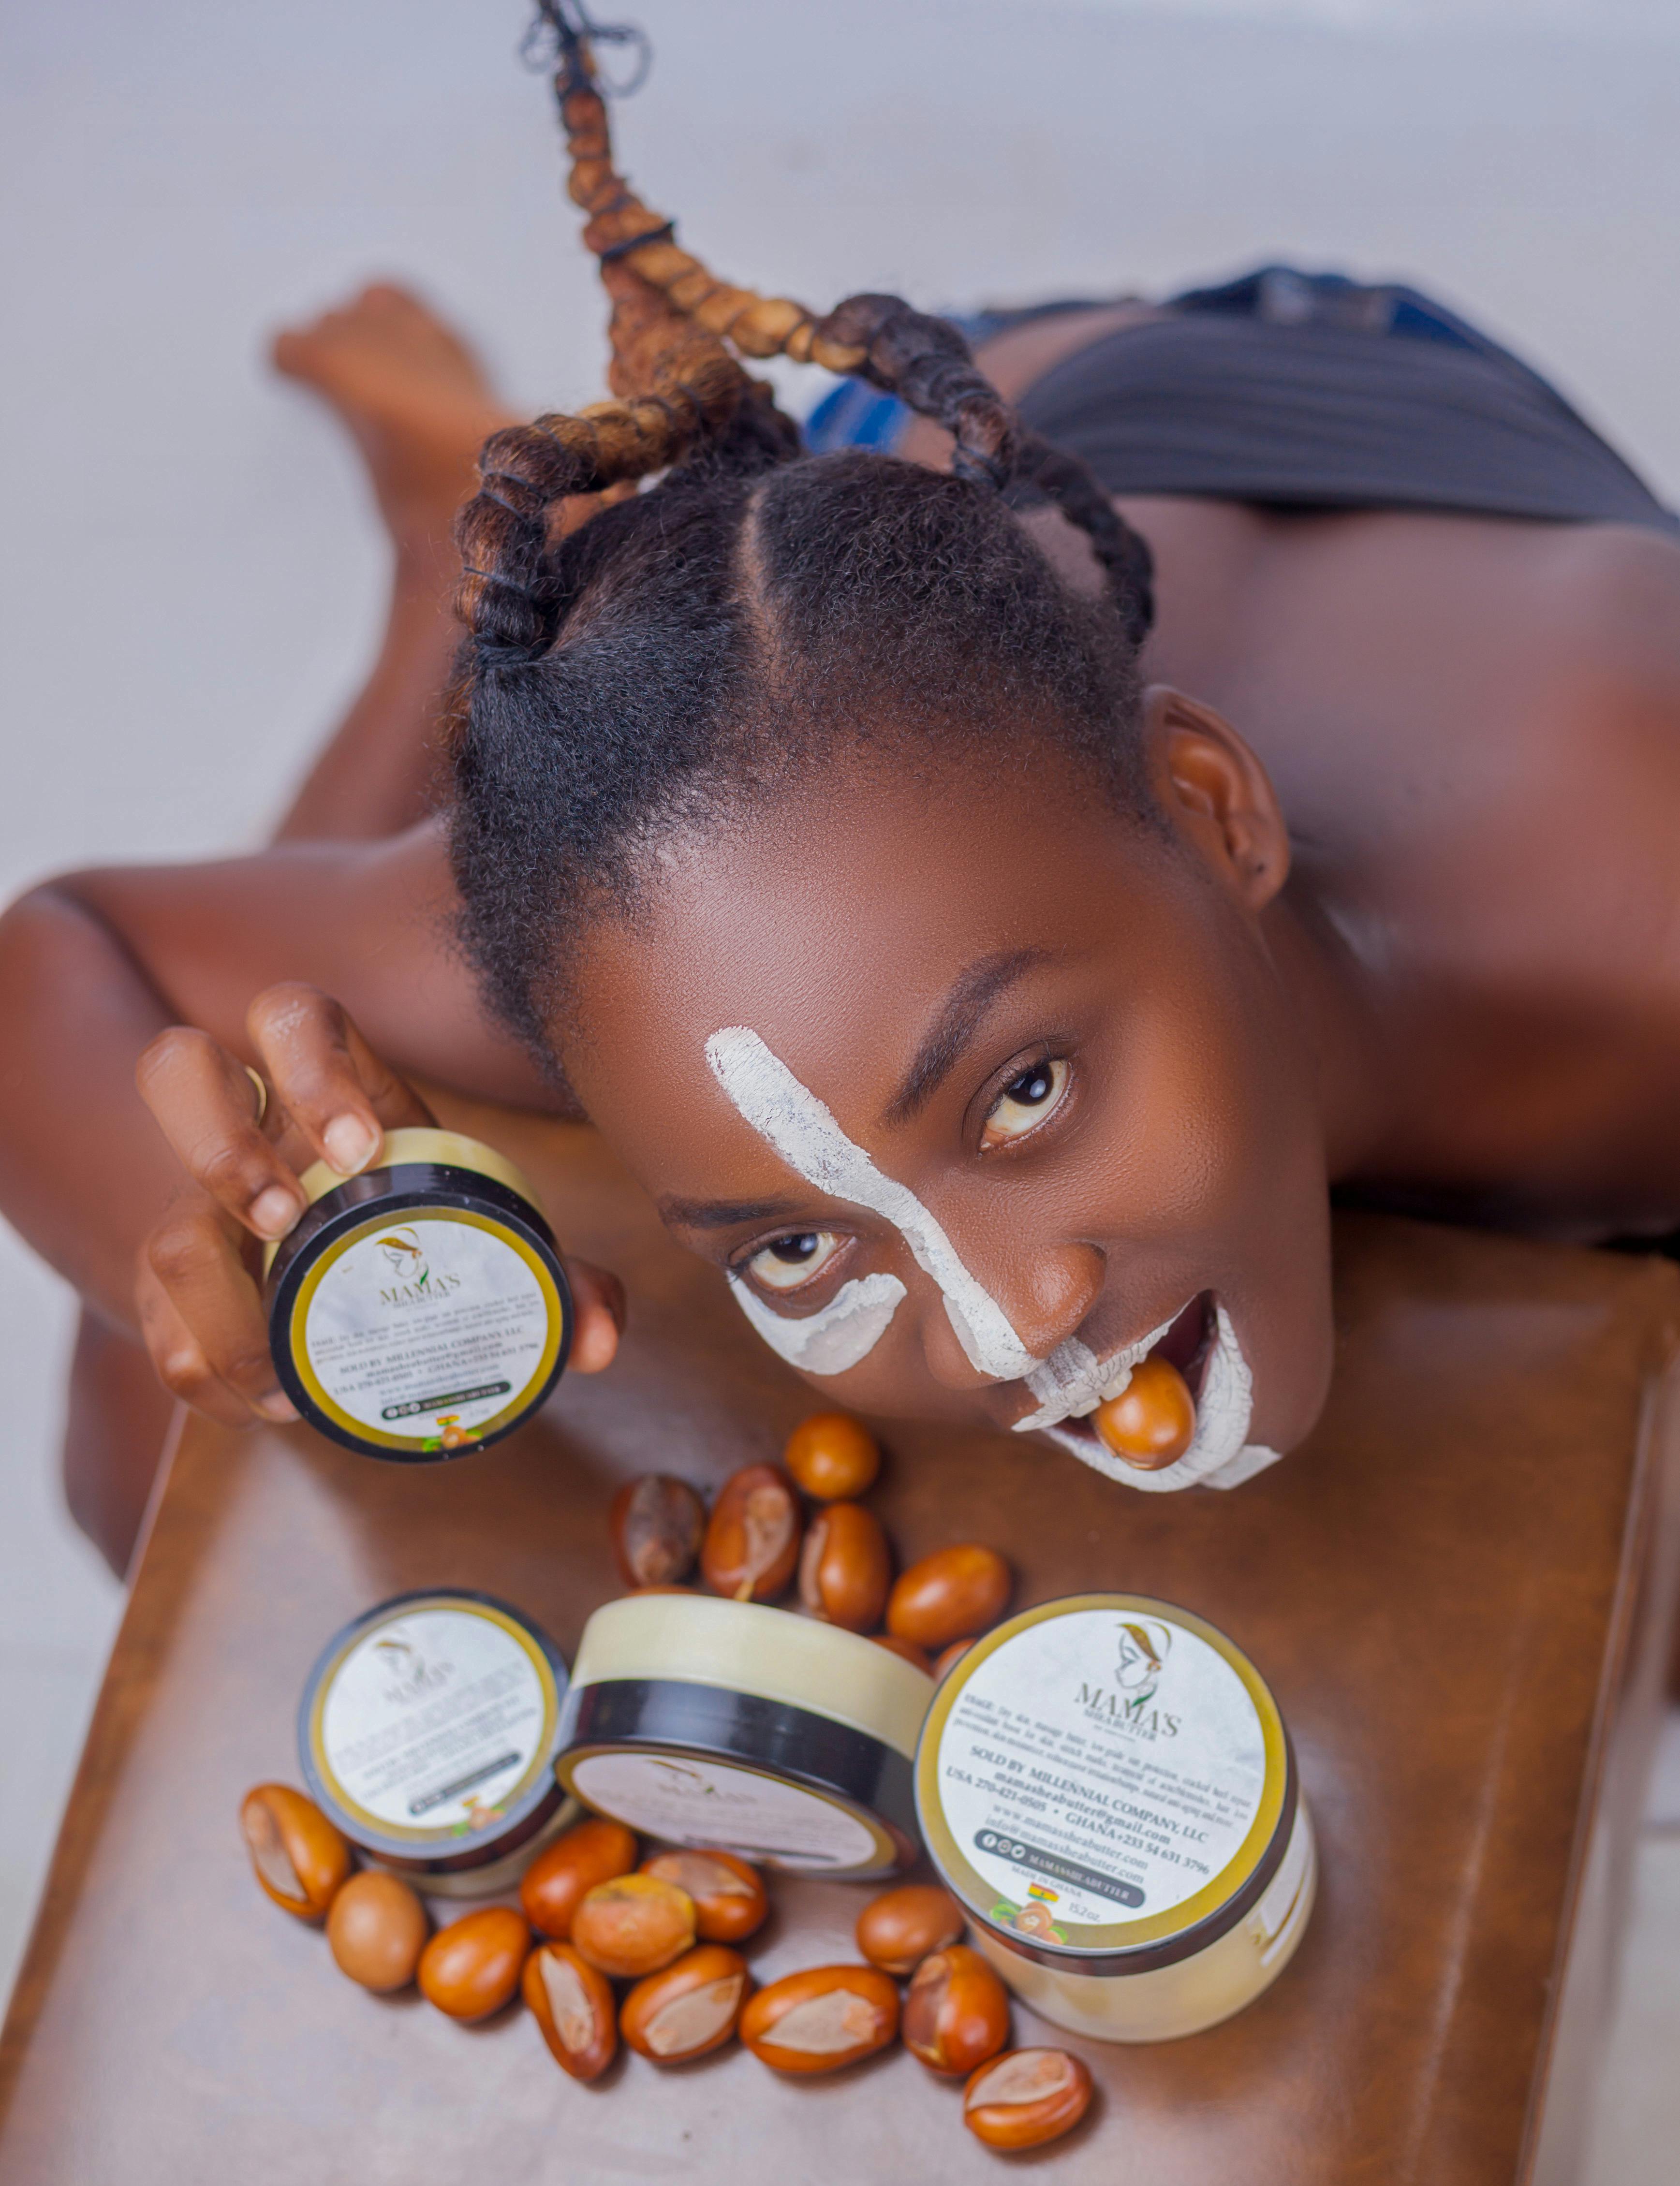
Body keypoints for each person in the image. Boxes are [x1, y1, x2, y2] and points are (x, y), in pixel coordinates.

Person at [4, 47, 1680, 1573]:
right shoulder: (705, 930)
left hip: (1143, 416)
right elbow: (67, 949)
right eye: (795, 1248)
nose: (1007, 1327)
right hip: (833, 619)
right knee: (146, 1463)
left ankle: (475, 559)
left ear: (1207, 807)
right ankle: (460, 578)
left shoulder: (1630, 885)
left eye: (1026, 1089)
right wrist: (220, 1243)